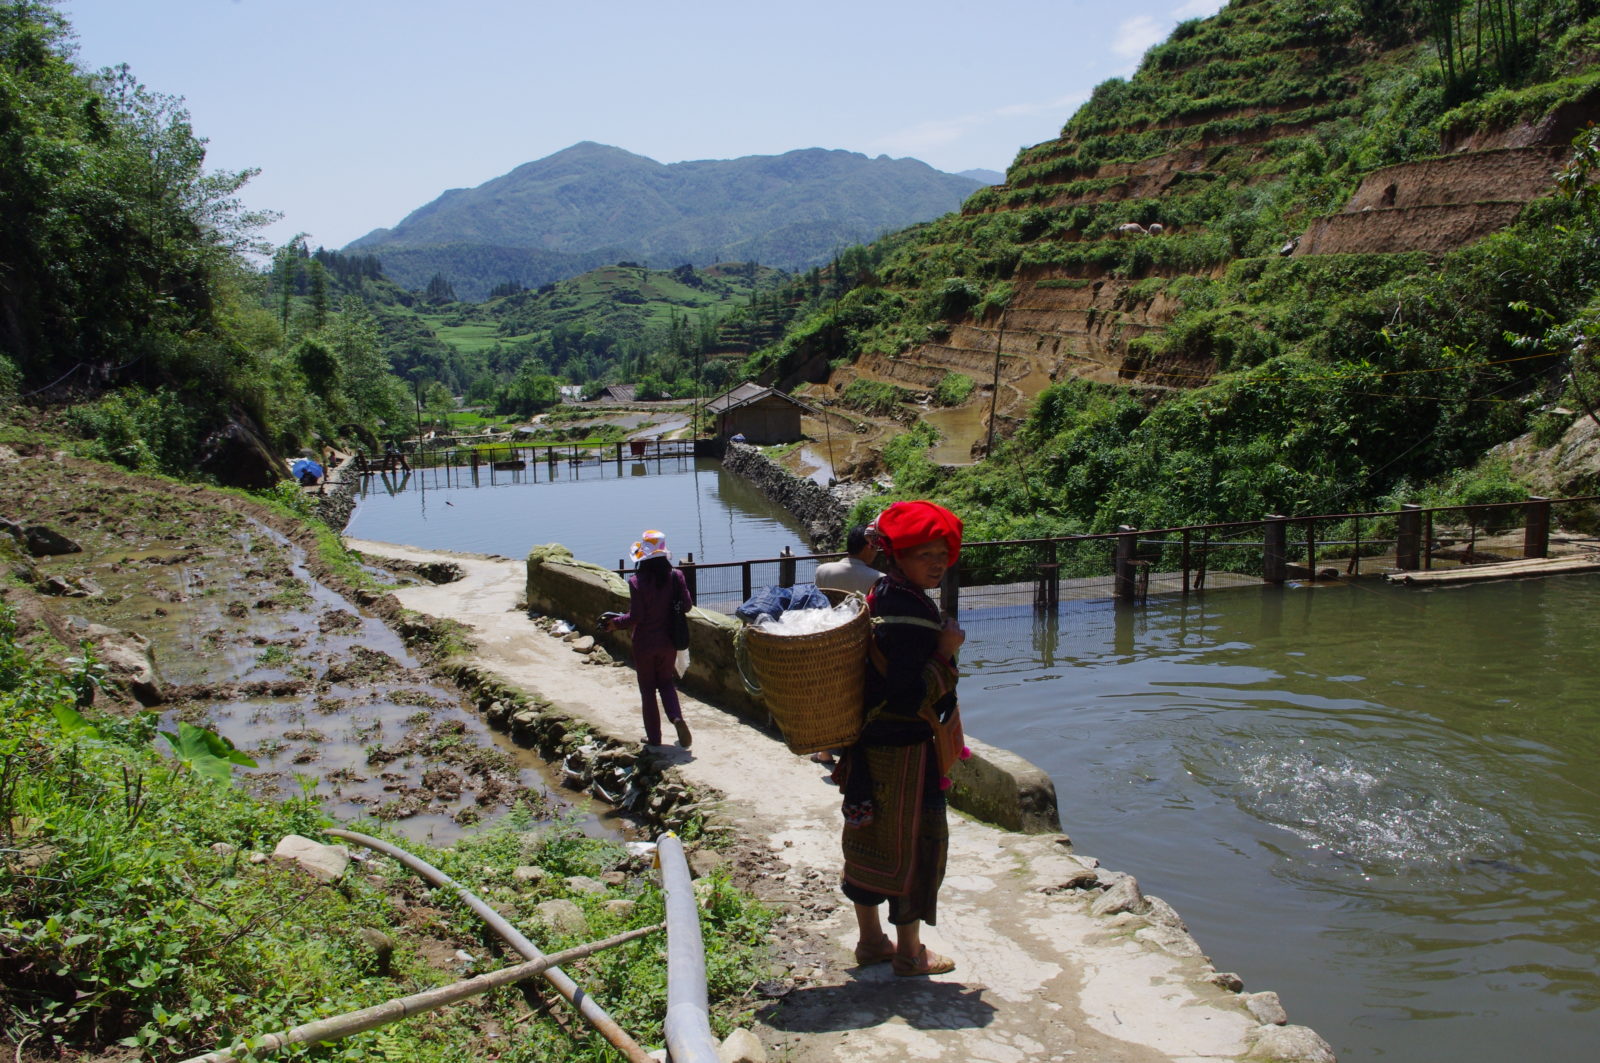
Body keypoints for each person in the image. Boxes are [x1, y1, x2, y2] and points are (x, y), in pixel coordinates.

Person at [834, 500, 965, 977]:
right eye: (924, 555)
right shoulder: (910, 614)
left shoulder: (883, 593)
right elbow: (910, 694)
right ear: (896, 556)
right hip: (908, 753)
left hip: (868, 744)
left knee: (866, 835)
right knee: (917, 845)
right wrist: (946, 655)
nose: (937, 564)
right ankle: (910, 952)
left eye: (942, 554)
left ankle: (871, 942)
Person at [604, 529, 693, 749]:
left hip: (644, 643)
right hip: (669, 642)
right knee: (665, 682)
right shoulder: (676, 576)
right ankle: (676, 717)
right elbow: (688, 606)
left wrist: (615, 623)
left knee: (647, 690)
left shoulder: (636, 581)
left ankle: (654, 738)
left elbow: (636, 617)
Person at [814, 524, 881, 598]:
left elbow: (816, 600)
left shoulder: (821, 570)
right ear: (867, 548)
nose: (876, 552)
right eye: (876, 548)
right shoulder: (879, 579)